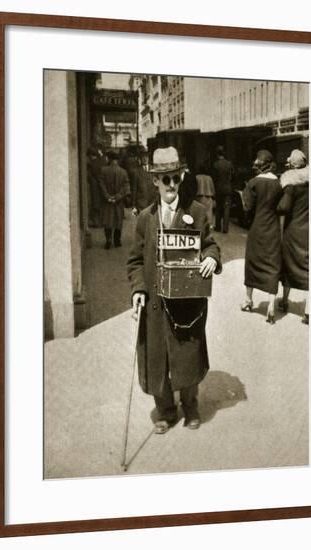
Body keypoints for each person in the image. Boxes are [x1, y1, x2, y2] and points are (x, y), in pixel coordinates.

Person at [127, 147, 222, 434]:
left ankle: (191, 406)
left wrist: (211, 258)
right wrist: (138, 290)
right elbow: (134, 261)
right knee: (158, 357)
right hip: (155, 303)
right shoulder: (145, 218)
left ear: (181, 178)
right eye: (164, 179)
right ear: (155, 181)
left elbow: (211, 244)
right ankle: (166, 411)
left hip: (187, 303)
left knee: (187, 354)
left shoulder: (197, 212)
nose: (171, 185)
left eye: (175, 179)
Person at [241, 150, 283, 324]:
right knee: (272, 265)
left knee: (252, 263)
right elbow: (281, 207)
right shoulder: (279, 184)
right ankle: (271, 308)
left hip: (257, 229)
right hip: (273, 229)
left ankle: (249, 301)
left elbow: (247, 208)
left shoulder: (253, 183)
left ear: (260, 165)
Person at [276, 149, 310, 324]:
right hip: (309, 229)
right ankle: (309, 310)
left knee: (288, 265)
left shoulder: (290, 183)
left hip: (293, 230)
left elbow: (283, 208)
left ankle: (284, 300)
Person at [98, 151, 131, 249]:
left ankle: (108, 240)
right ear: (117, 160)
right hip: (118, 202)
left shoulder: (103, 170)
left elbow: (101, 185)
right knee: (118, 220)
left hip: (106, 201)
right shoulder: (123, 172)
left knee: (107, 220)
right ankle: (117, 241)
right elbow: (126, 187)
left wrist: (108, 196)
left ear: (109, 159)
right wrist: (117, 197)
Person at [212, 145, 234, 233]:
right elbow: (233, 176)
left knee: (218, 208)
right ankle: (225, 228)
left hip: (218, 189)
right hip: (228, 188)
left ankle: (218, 226)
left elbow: (214, 178)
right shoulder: (229, 164)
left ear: (217, 154)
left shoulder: (215, 164)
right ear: (224, 153)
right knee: (226, 208)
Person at [86, 146, 106, 227]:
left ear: (91, 155)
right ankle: (101, 222)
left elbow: (91, 176)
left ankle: (96, 223)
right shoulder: (101, 162)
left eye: (89, 156)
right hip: (101, 186)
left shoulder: (92, 164)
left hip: (95, 186)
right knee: (100, 204)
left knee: (95, 204)